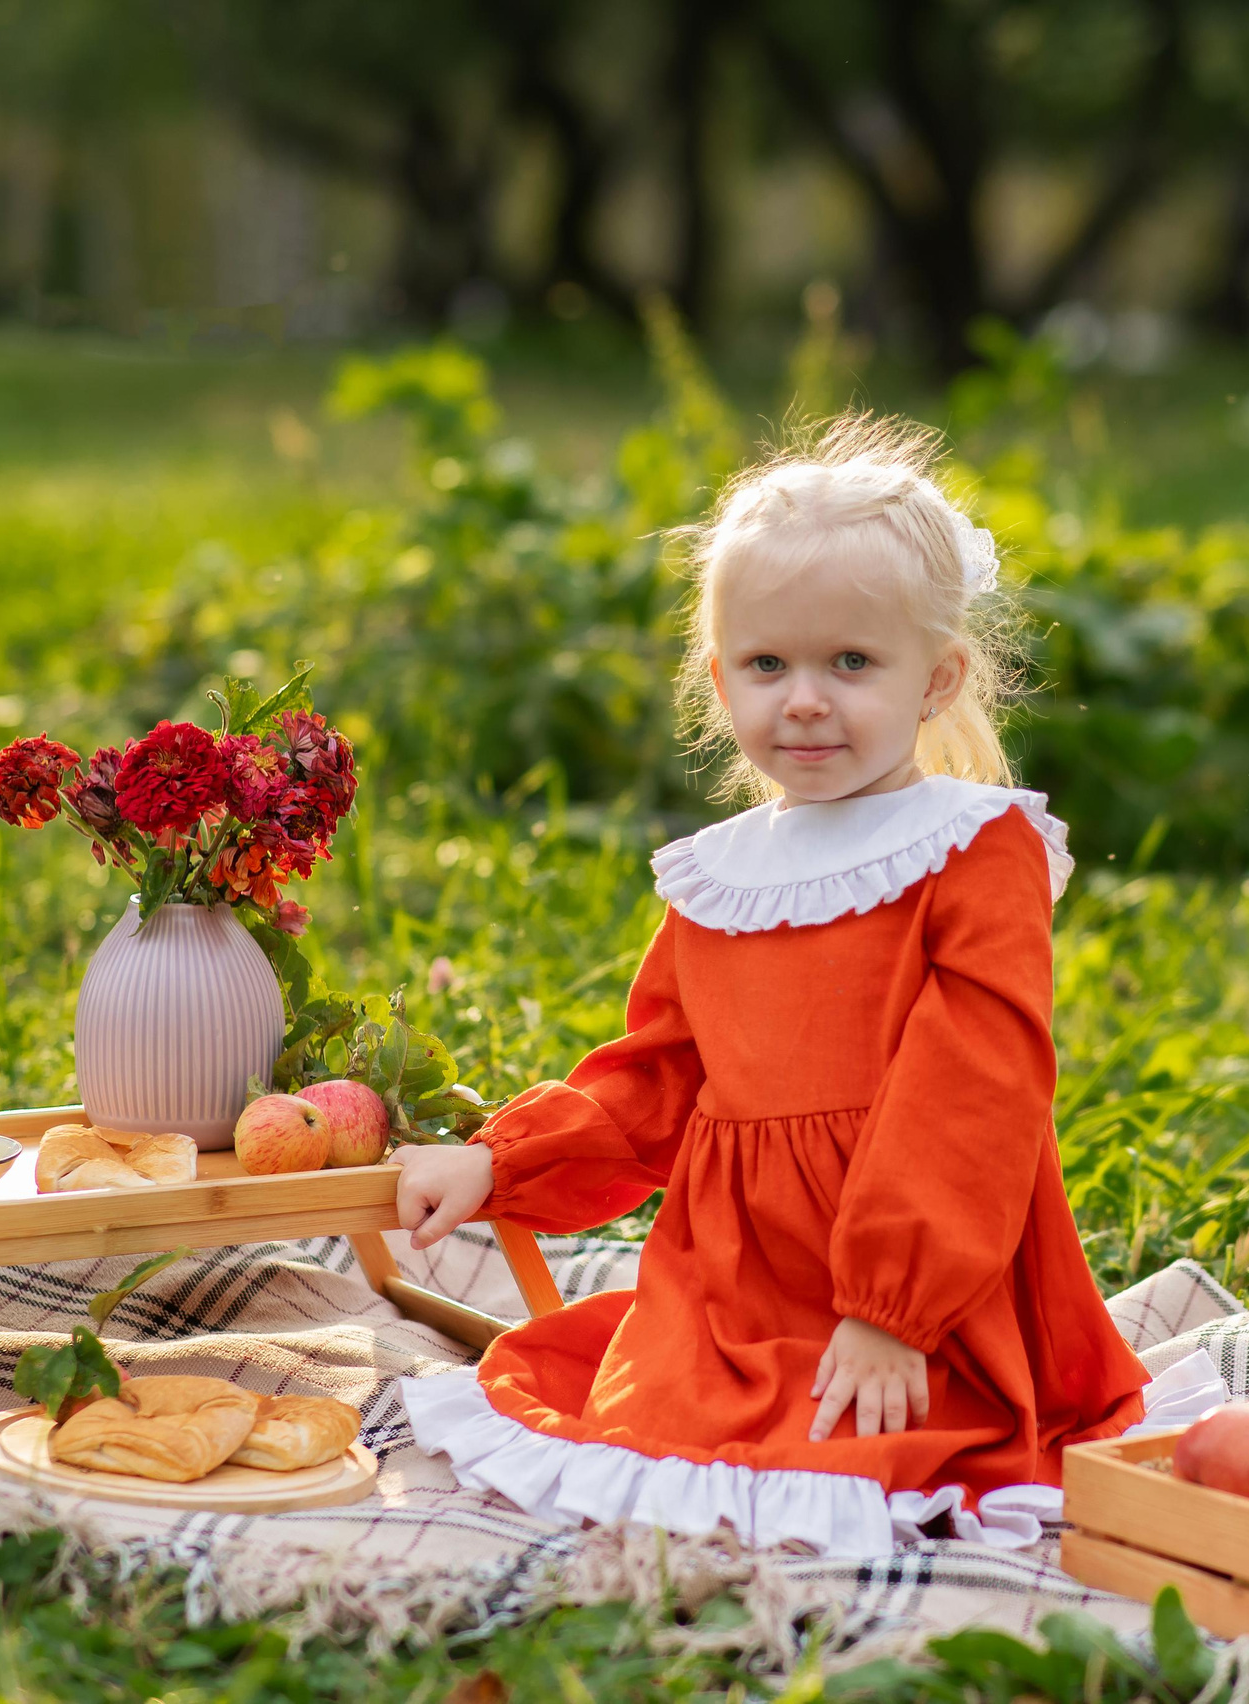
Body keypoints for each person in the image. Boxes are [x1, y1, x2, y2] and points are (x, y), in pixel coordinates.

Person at [396, 414, 1176, 1557]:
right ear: (720, 680)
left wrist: (893, 1309)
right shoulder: (725, 877)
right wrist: (503, 1160)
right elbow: (659, 1074)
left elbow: (975, 1088)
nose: (804, 699)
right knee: (657, 1426)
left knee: (866, 1448)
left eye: (851, 663)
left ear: (937, 679)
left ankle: (893, 1388)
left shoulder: (972, 848)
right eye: (767, 665)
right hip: (733, 1285)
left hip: (920, 1280)